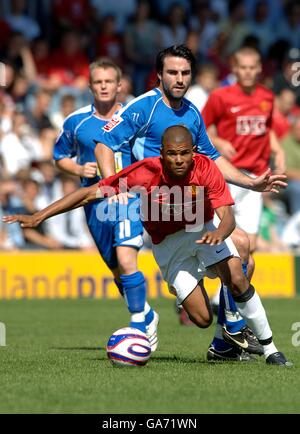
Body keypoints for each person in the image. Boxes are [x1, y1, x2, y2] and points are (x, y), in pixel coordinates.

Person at [3, 125, 292, 366]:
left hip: (202, 231)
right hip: (167, 247)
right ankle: (209, 322)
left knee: (238, 276)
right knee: (202, 318)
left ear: (193, 153)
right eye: (172, 154)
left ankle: (271, 350)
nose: (179, 160)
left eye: (184, 154)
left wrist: (221, 233)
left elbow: (227, 216)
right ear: (162, 154)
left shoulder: (205, 168)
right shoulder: (142, 173)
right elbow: (89, 194)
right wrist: (39, 215)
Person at [92, 44, 287, 361]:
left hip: (189, 208)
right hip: (154, 209)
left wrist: (251, 181)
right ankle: (215, 324)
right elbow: (104, 142)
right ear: (159, 74)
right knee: (121, 264)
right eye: (172, 72)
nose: (179, 78)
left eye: (184, 72)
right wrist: (113, 186)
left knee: (243, 251)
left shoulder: (192, 112)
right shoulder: (145, 107)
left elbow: (212, 158)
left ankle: (227, 336)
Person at [52, 58, 159, 348]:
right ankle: (147, 314)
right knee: (116, 270)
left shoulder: (134, 116)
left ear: (119, 86)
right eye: (98, 82)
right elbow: (60, 156)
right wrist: (77, 169)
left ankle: (138, 326)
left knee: (127, 261)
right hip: (94, 203)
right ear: (90, 86)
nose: (103, 86)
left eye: (109, 81)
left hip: (127, 196)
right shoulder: (76, 122)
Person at [202, 46, 286, 347]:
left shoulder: (267, 96)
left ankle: (224, 307)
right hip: (227, 176)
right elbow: (200, 130)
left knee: (248, 251)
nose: (249, 72)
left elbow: (267, 130)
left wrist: (276, 150)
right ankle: (216, 304)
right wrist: (220, 140)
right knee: (232, 246)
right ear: (234, 69)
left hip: (255, 180)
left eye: (254, 67)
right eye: (243, 67)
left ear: (259, 68)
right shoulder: (220, 97)